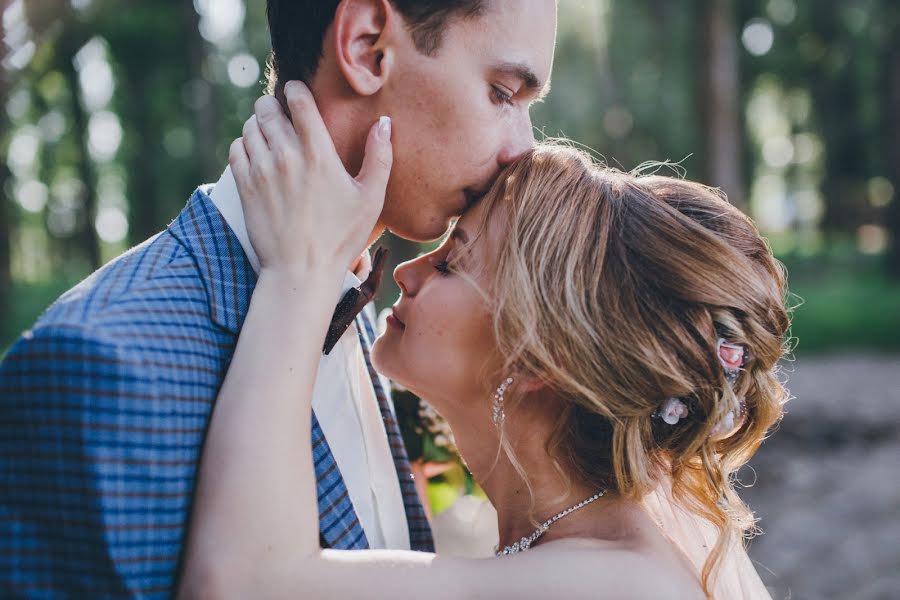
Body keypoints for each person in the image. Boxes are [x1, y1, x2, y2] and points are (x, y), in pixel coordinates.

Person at [0, 1, 557, 596]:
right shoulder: (96, 368)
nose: (521, 149)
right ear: (368, 47)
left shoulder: (374, 325)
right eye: (502, 92)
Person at [177, 84, 789, 599]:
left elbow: (244, 584)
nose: (405, 273)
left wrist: (299, 272)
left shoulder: (615, 584)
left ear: (538, 358)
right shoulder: (580, 545)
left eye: (449, 265)